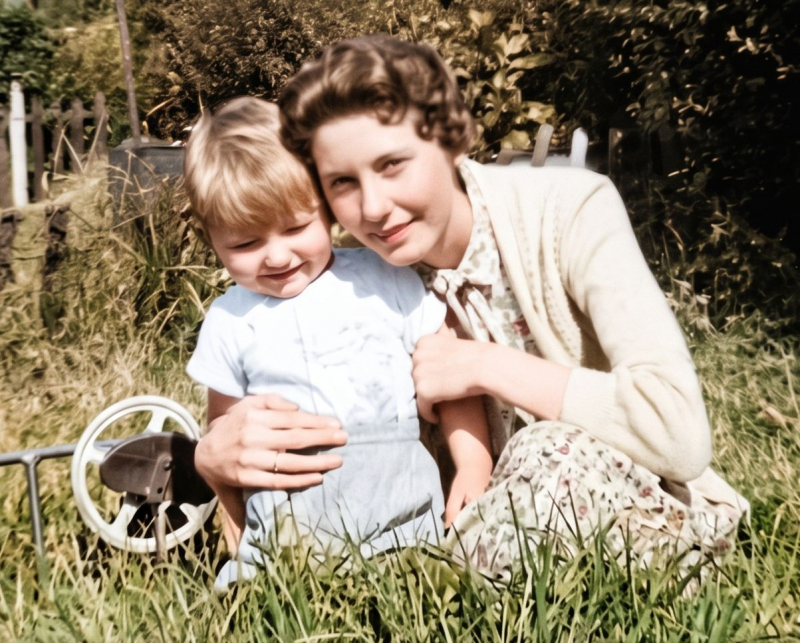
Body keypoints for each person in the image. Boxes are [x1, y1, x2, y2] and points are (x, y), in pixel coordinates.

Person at [195, 36, 748, 581]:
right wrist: (211, 462)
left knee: (546, 451)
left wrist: (484, 365)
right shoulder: (361, 282)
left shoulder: (573, 209)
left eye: (393, 164)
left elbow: (681, 435)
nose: (373, 207)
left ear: (453, 141)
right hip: (453, 527)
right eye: (343, 182)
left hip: (629, 500)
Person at [183, 97, 492, 586]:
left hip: (402, 511)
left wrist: (473, 464)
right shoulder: (229, 319)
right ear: (212, 240)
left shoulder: (383, 276)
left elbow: (448, 376)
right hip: (290, 522)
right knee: (266, 596)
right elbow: (229, 440)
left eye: (296, 227)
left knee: (430, 587)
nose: (277, 256)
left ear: (325, 208)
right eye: (245, 243)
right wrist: (234, 528)